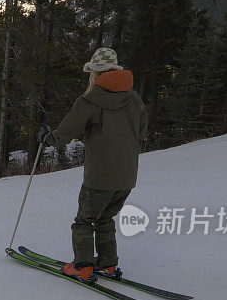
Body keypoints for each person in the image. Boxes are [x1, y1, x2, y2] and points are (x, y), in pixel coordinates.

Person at [37, 47, 147, 281]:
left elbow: (65, 133)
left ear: (95, 73)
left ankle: (83, 266)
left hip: (100, 175)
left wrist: (46, 138)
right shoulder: (134, 98)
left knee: (85, 220)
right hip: (127, 176)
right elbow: (142, 132)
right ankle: (107, 264)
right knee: (105, 218)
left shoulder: (91, 100)